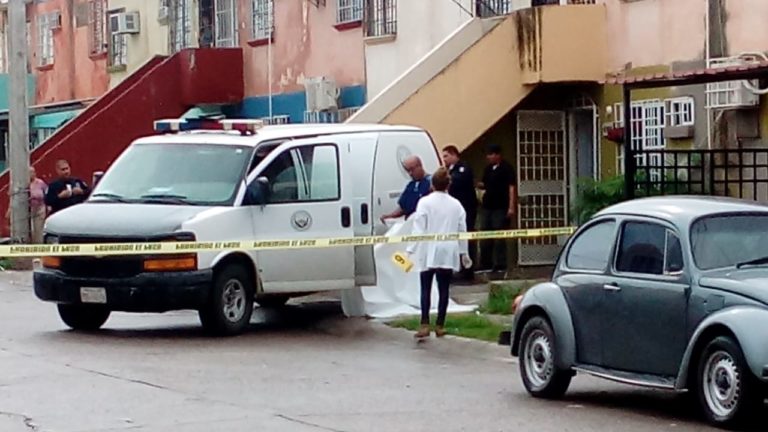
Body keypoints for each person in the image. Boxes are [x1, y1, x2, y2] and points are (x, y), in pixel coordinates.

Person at [406, 167, 471, 339]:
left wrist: (409, 250)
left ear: (432, 184)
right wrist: (464, 253)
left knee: (426, 287)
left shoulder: (425, 203)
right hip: (448, 249)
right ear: (448, 184)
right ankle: (440, 325)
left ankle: (424, 323)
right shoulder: (456, 205)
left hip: (429, 249)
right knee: (444, 289)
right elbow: (461, 230)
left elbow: (418, 229)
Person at [477, 144, 516, 274]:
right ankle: (485, 263)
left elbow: (511, 187)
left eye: (491, 154)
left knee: (499, 236)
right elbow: (484, 184)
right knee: (485, 235)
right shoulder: (488, 169)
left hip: (501, 206)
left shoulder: (507, 168)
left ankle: (500, 263)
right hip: (488, 206)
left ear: (497, 155)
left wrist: (511, 206)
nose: (489, 157)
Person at [442, 145, 478, 280]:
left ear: (454, 155)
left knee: (467, 239)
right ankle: (459, 267)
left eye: (446, 156)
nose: (444, 159)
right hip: (454, 212)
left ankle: (468, 270)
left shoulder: (463, 168)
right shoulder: (449, 170)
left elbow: (457, 181)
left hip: (466, 209)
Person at [380, 155, 431, 223]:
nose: (410, 173)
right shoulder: (410, 186)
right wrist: (389, 216)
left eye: (412, 169)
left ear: (420, 166)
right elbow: (403, 208)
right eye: (407, 171)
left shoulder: (431, 183)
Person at [29, 167, 48, 243]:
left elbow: (46, 192)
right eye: (30, 172)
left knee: (39, 230)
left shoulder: (40, 182)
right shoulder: (23, 183)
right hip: (28, 210)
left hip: (40, 208)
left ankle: (39, 246)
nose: (32, 174)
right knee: (31, 230)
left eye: (33, 172)